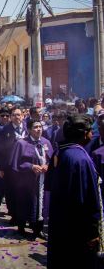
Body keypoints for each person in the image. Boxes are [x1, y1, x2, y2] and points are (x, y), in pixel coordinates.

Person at [45, 114, 101, 268]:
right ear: (84, 134)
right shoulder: (81, 159)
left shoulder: (59, 153)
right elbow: (89, 198)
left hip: (59, 221)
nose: (92, 134)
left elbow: (49, 184)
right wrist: (92, 232)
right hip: (77, 228)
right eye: (90, 131)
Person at [10, 119, 53, 238]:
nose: (39, 129)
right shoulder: (21, 143)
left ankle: (38, 229)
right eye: (35, 127)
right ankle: (22, 227)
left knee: (41, 204)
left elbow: (52, 159)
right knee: (25, 203)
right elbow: (15, 163)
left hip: (42, 181)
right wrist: (31, 166)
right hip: (26, 181)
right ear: (29, 129)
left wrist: (47, 166)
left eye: (40, 127)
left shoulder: (46, 142)